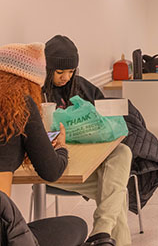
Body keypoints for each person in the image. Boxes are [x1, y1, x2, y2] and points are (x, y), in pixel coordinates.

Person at [42, 35, 133, 246]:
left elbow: (105, 117)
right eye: (60, 72)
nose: (66, 77)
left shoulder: (79, 87)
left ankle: (101, 232)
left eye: (71, 71)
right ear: (47, 68)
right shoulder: (36, 93)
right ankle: (101, 233)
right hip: (55, 165)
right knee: (115, 194)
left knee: (123, 153)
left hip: (87, 162)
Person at [0, 43, 88, 246]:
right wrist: (61, 148)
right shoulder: (22, 105)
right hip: (5, 233)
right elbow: (51, 171)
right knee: (77, 225)